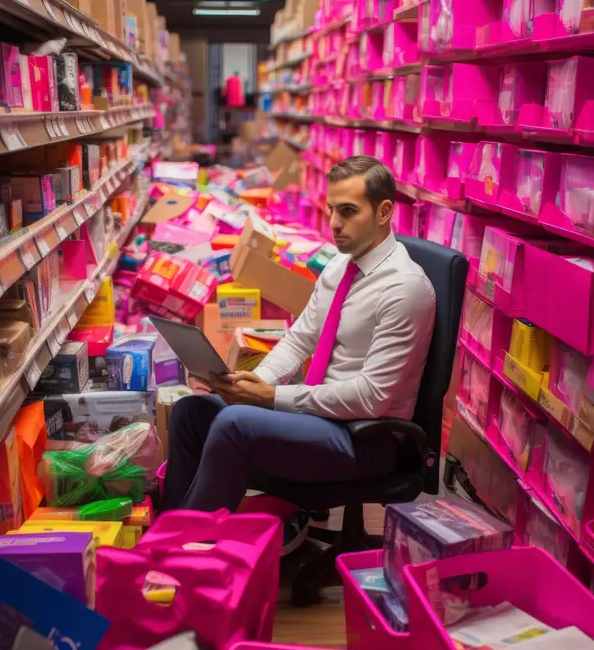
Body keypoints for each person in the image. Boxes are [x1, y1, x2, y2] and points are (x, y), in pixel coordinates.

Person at [161, 156, 436, 545]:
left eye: (348, 211)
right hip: (323, 421)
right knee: (193, 411)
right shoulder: (340, 267)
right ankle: (168, 534)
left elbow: (372, 398)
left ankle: (183, 553)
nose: (334, 223)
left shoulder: (405, 290)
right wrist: (257, 380)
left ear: (384, 212)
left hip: (365, 439)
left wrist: (271, 398)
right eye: (331, 210)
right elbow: (299, 338)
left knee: (234, 423)